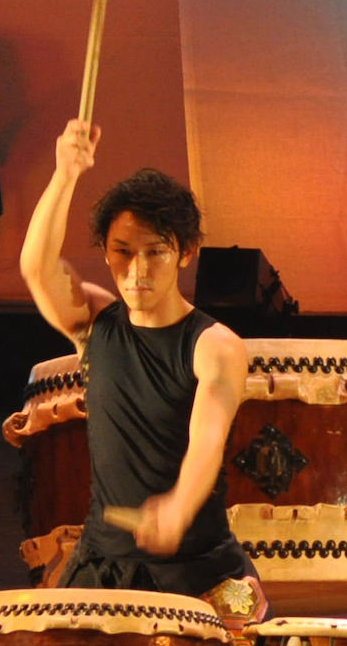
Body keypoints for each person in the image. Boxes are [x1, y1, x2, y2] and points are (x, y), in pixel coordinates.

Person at [19, 118, 261, 616]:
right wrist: (65, 174)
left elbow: (208, 440)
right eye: (122, 253)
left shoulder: (214, 345)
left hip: (199, 570)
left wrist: (179, 505)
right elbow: (37, 269)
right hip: (100, 564)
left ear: (186, 253)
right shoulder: (95, 324)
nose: (137, 270)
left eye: (155, 253)